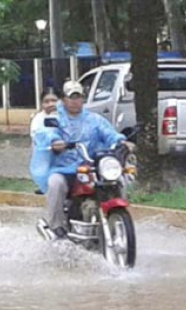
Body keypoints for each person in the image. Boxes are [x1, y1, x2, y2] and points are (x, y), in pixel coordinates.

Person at [30, 80, 132, 239]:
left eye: (79, 97)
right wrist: (55, 142)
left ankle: (109, 217)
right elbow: (47, 133)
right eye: (72, 97)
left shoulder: (94, 119)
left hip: (90, 167)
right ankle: (55, 226)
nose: (75, 101)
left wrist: (121, 141)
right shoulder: (56, 118)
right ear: (64, 99)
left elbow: (109, 133)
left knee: (114, 181)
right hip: (65, 169)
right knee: (56, 183)